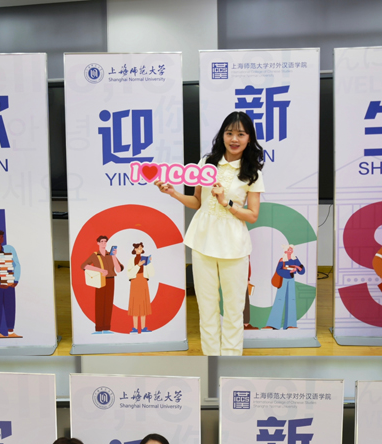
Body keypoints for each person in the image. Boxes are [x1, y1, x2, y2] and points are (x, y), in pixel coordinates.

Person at [155, 112, 264, 355]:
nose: (234, 139)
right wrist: (173, 193)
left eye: (240, 134)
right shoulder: (206, 162)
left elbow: (253, 215)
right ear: (222, 135)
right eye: (229, 133)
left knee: (234, 309)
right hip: (202, 241)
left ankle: (230, 362)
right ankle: (211, 361)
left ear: (249, 138)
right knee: (206, 306)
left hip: (233, 246)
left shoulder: (252, 171)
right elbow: (197, 202)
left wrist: (227, 203)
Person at [81, 235, 123, 333]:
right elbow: (84, 266)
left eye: (105, 241)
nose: (104, 243)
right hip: (99, 280)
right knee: (99, 303)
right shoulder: (95, 255)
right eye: (102, 241)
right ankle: (99, 327)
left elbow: (118, 269)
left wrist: (114, 256)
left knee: (108, 303)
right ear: (98, 243)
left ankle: (107, 327)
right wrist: (99, 270)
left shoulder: (111, 255)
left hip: (111, 280)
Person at [266, 246, 304, 330]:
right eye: (289, 249)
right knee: (279, 299)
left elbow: (302, 270)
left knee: (291, 300)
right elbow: (278, 270)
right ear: (285, 251)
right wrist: (290, 271)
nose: (291, 250)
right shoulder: (282, 259)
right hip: (283, 280)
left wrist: (298, 268)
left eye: (291, 249)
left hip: (291, 280)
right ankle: (273, 324)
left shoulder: (295, 259)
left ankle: (290, 324)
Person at [126, 242, 153, 334]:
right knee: (135, 305)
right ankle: (135, 327)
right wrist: (138, 265)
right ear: (135, 249)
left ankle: (143, 327)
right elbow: (129, 273)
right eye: (138, 248)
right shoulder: (131, 260)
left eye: (141, 248)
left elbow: (152, 273)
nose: (139, 250)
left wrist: (149, 263)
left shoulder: (145, 259)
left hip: (143, 281)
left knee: (143, 304)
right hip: (135, 281)